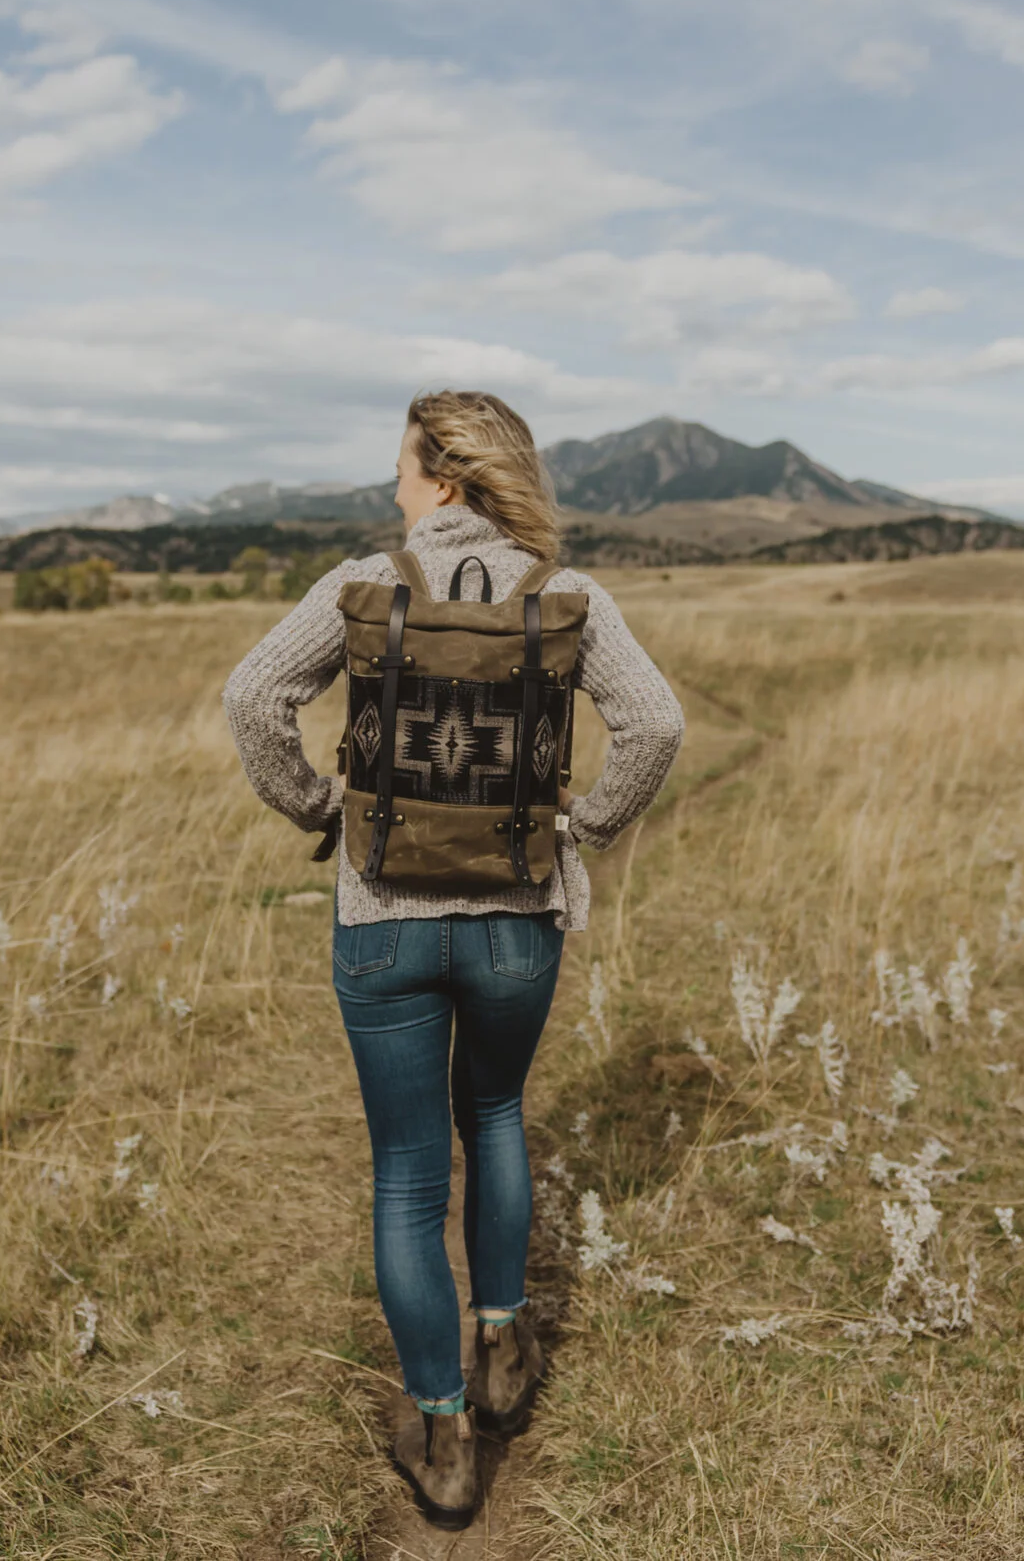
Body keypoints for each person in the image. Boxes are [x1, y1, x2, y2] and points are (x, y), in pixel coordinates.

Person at [222, 390, 685, 1527]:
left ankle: (439, 1435)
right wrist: (583, 827)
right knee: (496, 1118)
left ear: (444, 478)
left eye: (401, 468)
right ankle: (500, 1350)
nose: (392, 488)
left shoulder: (358, 586)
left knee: (406, 1175)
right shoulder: (567, 596)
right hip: (515, 921)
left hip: (382, 922)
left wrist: (319, 808)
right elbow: (657, 726)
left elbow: (253, 696)